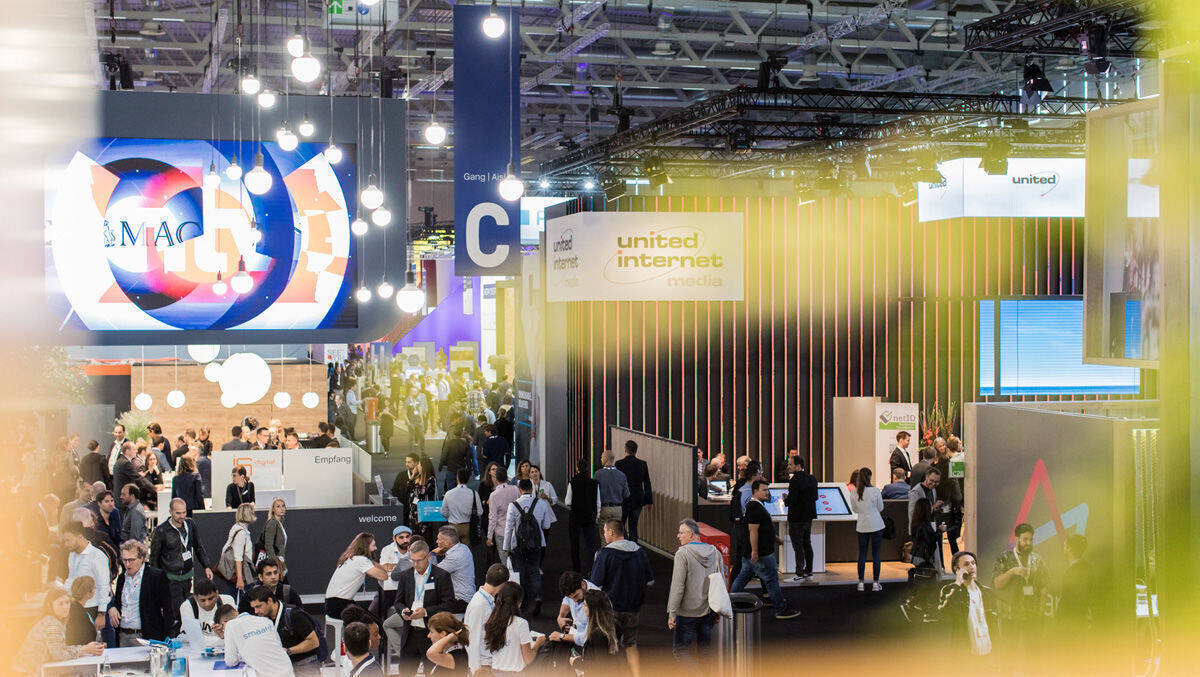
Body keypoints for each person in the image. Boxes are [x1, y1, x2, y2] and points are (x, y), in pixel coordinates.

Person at [590, 519, 656, 674]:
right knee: (631, 644)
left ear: (611, 532)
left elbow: (595, 585)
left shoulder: (604, 554)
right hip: (633, 608)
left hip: (610, 609)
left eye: (605, 531)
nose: (604, 534)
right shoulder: (640, 552)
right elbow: (650, 581)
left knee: (611, 646)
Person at [385, 540, 461, 672]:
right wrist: (403, 611)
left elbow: (449, 605)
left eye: (419, 560)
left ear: (428, 557)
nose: (415, 564)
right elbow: (398, 602)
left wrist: (425, 612)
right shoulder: (406, 575)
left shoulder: (441, 576)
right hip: (410, 634)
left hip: (431, 636)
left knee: (432, 672)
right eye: (412, 560)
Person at [731, 480, 802, 619]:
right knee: (771, 579)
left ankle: (729, 603)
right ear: (755, 491)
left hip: (755, 552)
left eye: (767, 490)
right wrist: (755, 551)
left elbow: (763, 528)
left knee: (743, 577)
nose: (767, 492)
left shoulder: (756, 506)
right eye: (764, 490)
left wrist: (775, 538)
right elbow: (753, 531)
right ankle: (781, 609)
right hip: (761, 553)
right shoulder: (754, 507)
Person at [667, 518, 724, 665]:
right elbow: (721, 583)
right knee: (705, 652)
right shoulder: (715, 552)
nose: (678, 536)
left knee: (681, 650)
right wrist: (718, 610)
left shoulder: (682, 554)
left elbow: (678, 586)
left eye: (681, 533)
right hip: (708, 611)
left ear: (691, 534)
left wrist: (672, 612)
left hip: (687, 613)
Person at [149, 498, 214, 624]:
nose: (182, 516)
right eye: (178, 513)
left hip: (187, 576)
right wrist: (157, 580)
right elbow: (154, 557)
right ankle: (176, 631)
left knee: (187, 607)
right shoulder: (161, 530)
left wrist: (206, 566)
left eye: (184, 512)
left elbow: (198, 547)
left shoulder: (190, 524)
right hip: (170, 578)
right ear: (170, 512)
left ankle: (185, 630)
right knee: (177, 611)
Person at [11, 589, 105, 673]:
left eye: (67, 602)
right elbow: (59, 654)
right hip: (23, 672)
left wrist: (86, 648)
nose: (65, 607)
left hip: (24, 669)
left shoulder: (51, 619)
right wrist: (84, 649)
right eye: (60, 603)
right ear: (50, 605)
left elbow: (60, 648)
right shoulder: (52, 624)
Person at [991, 522, 1049, 650]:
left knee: (1033, 651)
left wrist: (1041, 611)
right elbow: (997, 584)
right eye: (1025, 539)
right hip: (1010, 616)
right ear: (1017, 539)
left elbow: (1044, 586)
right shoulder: (1004, 558)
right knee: (1009, 650)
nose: (1029, 543)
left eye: (1031, 540)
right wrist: (1012, 572)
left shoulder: (1037, 560)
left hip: (1032, 615)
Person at [503, 478, 555, 616]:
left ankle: (522, 603)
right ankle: (537, 597)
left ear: (519, 490)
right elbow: (546, 525)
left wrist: (506, 547)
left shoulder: (513, 505)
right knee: (534, 571)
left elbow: (508, 528)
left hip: (518, 545)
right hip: (536, 544)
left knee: (520, 573)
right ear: (532, 489)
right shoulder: (541, 503)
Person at [109, 539, 174, 644]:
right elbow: (118, 602)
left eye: (131, 560)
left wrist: (168, 637)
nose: (127, 564)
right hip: (123, 635)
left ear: (142, 558)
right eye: (124, 560)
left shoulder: (156, 576)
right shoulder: (122, 578)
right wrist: (112, 608)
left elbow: (168, 609)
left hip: (145, 636)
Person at [248, 586, 322, 669]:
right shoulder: (263, 617)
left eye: (258, 606)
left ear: (269, 601)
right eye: (254, 608)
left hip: (304, 663)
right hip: (280, 664)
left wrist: (288, 651)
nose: (256, 611)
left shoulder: (294, 615)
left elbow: (314, 642)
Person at [481, 582, 547, 673]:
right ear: (519, 603)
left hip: (494, 672)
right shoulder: (521, 623)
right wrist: (538, 644)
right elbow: (528, 659)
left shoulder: (492, 621)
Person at [213, 604, 295, 676]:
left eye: (222, 628)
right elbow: (278, 646)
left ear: (224, 624)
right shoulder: (265, 620)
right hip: (287, 667)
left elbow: (230, 661)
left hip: (269, 673)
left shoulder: (230, 625)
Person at [939, 551, 994, 656]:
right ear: (957, 569)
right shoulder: (950, 590)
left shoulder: (986, 592)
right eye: (966, 564)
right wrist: (957, 583)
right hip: (966, 652)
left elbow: (993, 622)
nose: (972, 567)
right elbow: (944, 609)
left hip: (988, 650)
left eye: (973, 563)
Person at [325, 533, 389, 620]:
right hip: (339, 605)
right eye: (373, 545)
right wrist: (374, 563)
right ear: (365, 546)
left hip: (332, 604)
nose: (376, 548)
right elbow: (384, 576)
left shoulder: (351, 558)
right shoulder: (360, 560)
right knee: (373, 622)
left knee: (372, 618)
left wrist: (372, 562)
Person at [901, 497, 942, 623]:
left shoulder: (917, 523)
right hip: (923, 557)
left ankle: (925, 611)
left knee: (925, 584)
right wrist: (940, 531)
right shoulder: (924, 525)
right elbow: (930, 540)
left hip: (917, 556)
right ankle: (911, 603)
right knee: (929, 583)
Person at [62, 522, 112, 623]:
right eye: (64, 541)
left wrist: (102, 614)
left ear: (80, 537)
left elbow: (104, 586)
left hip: (92, 607)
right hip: (76, 605)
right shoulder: (72, 554)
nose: (65, 544)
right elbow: (71, 578)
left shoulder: (97, 556)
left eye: (68, 540)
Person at [465, 564, 509, 673]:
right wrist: (476, 672)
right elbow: (473, 640)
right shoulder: (479, 605)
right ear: (503, 584)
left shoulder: (487, 601)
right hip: (482, 666)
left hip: (489, 662)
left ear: (486, 576)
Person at [849, 467, 885, 592]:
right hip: (876, 525)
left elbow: (855, 509)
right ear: (870, 477)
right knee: (876, 555)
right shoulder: (875, 491)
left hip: (862, 526)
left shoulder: (854, 492)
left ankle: (861, 582)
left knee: (862, 555)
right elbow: (880, 507)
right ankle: (876, 583)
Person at [783, 456, 818, 582]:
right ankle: (809, 571)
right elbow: (815, 497)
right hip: (808, 517)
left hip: (796, 518)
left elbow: (792, 500)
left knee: (798, 546)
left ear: (798, 465)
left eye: (790, 464)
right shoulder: (812, 478)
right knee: (807, 543)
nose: (788, 467)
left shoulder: (794, 480)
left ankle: (799, 573)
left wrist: (785, 499)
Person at [564, 458, 601, 574]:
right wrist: (597, 514)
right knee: (590, 544)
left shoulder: (573, 482)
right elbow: (598, 502)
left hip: (575, 516)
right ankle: (591, 568)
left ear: (577, 468)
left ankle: (577, 569)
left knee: (575, 543)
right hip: (589, 516)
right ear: (587, 468)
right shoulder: (594, 483)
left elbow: (567, 501)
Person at [615, 440, 653, 543]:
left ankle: (624, 544)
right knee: (633, 526)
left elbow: (617, 483)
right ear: (636, 451)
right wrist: (649, 501)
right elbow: (647, 483)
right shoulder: (642, 464)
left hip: (623, 500)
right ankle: (633, 547)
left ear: (625, 450)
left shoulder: (619, 464)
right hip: (637, 500)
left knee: (620, 525)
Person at [179, 579, 235, 648]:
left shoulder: (227, 601)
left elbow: (236, 632)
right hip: (198, 650)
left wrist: (223, 633)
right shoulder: (187, 606)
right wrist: (225, 640)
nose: (207, 604)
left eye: (211, 599)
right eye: (203, 600)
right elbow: (194, 640)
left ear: (217, 594)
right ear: (196, 598)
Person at [1057, 534, 1094, 632]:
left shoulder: (1072, 572)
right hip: (1081, 621)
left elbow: (1066, 598)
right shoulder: (1088, 568)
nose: (1063, 547)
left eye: (1065, 545)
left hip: (1072, 623)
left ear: (1069, 548)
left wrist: (1058, 618)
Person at [432, 525, 476, 604]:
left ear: (447, 542)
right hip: (467, 597)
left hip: (460, 600)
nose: (436, 541)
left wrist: (432, 554)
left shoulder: (455, 557)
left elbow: (432, 573)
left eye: (439, 539)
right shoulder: (464, 547)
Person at [440, 468, 483, 544]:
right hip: (468, 526)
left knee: (454, 548)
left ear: (457, 478)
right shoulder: (474, 493)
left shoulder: (449, 493)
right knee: (466, 548)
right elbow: (480, 512)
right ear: (468, 478)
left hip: (453, 526)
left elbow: (443, 512)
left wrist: (450, 518)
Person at [594, 450, 629, 540]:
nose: (601, 459)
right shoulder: (622, 475)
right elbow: (626, 494)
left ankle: (606, 549)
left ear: (605, 459)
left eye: (602, 457)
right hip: (617, 509)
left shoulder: (598, 474)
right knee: (617, 536)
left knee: (604, 537)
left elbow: (594, 493)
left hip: (604, 509)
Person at [486, 468, 518, 564]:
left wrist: (489, 536)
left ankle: (507, 573)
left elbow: (493, 518)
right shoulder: (515, 489)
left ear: (496, 479)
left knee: (504, 559)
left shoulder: (494, 495)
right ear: (507, 477)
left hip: (501, 530)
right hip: (515, 528)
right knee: (517, 556)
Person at [408, 456, 438, 541]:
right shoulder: (418, 477)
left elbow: (421, 493)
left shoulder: (431, 479)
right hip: (415, 512)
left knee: (425, 537)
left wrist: (418, 483)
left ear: (424, 467)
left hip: (425, 512)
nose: (417, 466)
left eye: (419, 465)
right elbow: (408, 488)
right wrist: (413, 475)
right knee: (415, 537)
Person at [66, 576, 100, 646]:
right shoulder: (80, 614)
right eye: (94, 588)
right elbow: (86, 638)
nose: (95, 590)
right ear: (88, 593)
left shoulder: (71, 607)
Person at [262, 498, 288, 572]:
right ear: (273, 509)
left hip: (280, 560)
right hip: (274, 563)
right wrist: (275, 563)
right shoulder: (272, 523)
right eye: (278, 506)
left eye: (283, 506)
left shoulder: (279, 523)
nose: (281, 509)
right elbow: (268, 545)